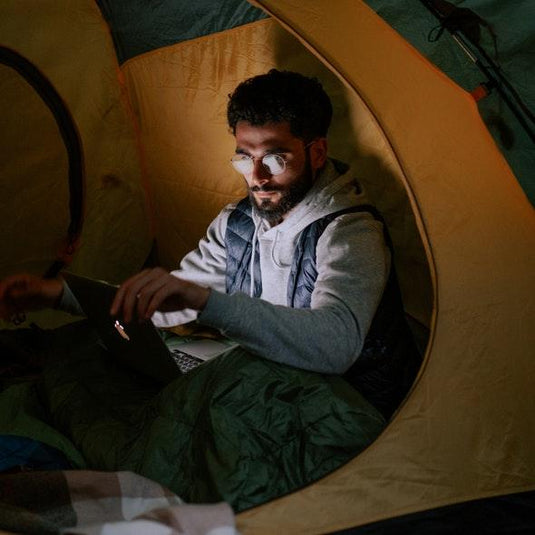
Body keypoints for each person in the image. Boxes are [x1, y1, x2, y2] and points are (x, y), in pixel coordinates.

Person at [0, 70, 419, 418]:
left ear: (318, 152)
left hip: (347, 406)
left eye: (276, 158)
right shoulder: (237, 223)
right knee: (92, 375)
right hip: (274, 388)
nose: (256, 176)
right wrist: (59, 294)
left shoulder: (352, 232)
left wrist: (206, 302)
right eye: (243, 156)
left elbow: (335, 346)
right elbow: (170, 301)